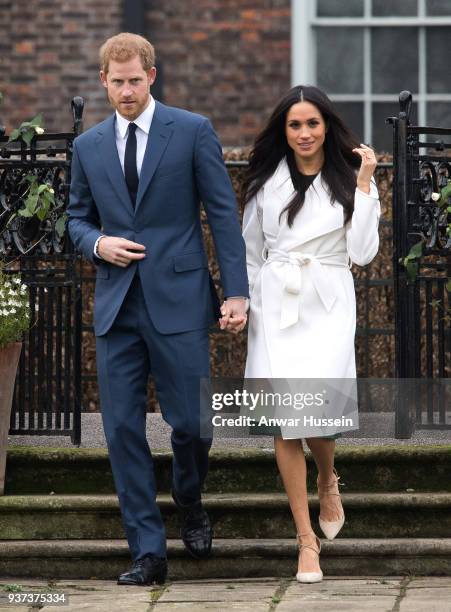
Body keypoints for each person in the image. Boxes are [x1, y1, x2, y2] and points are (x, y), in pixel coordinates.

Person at [67, 32, 248, 586]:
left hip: (181, 302)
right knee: (122, 429)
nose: (126, 90)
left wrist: (236, 292)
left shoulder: (191, 130)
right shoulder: (88, 147)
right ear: (103, 81)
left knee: (193, 423)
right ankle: (148, 550)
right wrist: (98, 244)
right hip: (117, 307)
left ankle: (189, 499)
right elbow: (76, 217)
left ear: (152, 75)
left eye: (135, 80)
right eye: (116, 82)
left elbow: (222, 214)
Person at [241, 85, 380, 583]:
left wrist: (365, 185)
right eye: (294, 125)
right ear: (285, 131)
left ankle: (327, 478)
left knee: (318, 414)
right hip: (276, 305)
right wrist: (250, 305)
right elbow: (251, 252)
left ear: (327, 127)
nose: (304, 133)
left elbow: (362, 253)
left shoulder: (352, 180)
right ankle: (305, 540)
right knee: (285, 421)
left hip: (327, 301)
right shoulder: (264, 184)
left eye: (312, 124)